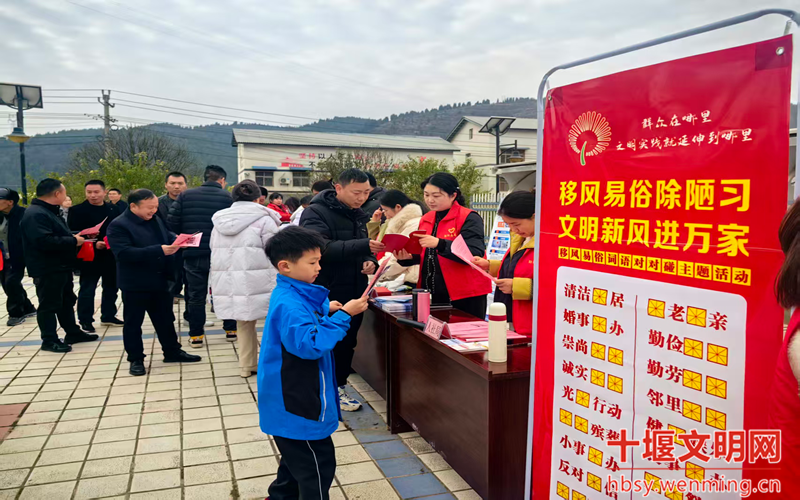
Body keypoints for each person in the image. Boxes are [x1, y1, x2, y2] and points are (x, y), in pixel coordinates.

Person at [259, 226, 369, 500]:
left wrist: (325, 308)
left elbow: (305, 317)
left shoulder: (292, 292)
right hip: (296, 400)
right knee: (317, 467)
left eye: (319, 260)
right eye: (312, 263)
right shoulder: (290, 304)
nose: (319, 267)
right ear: (285, 266)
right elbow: (310, 344)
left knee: (295, 462)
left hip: (293, 396)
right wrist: (344, 315)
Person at [300, 168, 382, 411]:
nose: (362, 198)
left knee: (347, 342)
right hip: (326, 290)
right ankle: (321, 389)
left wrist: (369, 260)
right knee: (326, 341)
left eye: (366, 193)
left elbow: (361, 249)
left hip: (354, 288)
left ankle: (338, 387)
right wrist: (364, 245)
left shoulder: (358, 214)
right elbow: (321, 248)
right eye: (357, 192)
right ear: (338, 188)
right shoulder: (315, 212)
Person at [107, 189, 202, 376]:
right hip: (135, 283)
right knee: (133, 323)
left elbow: (166, 235)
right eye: (149, 207)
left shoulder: (154, 219)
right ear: (133, 206)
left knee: (165, 319)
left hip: (159, 279)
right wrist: (160, 250)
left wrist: (178, 240)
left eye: (156, 207)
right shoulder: (118, 225)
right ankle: (135, 358)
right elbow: (124, 253)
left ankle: (172, 351)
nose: (153, 211)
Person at [210, 180, 282, 377]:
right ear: (258, 198)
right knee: (273, 321)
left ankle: (246, 366)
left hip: (231, 278)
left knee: (244, 322)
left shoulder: (219, 221)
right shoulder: (265, 219)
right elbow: (274, 250)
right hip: (262, 277)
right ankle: (273, 364)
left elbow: (213, 249)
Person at [396, 173, 491, 318]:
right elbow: (426, 254)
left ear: (453, 195)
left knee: (462, 330)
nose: (430, 200)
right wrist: (408, 258)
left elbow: (474, 252)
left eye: (436, 195)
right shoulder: (427, 218)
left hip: (465, 294)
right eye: (426, 195)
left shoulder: (469, 217)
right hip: (432, 291)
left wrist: (439, 243)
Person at [21, 179, 97, 353]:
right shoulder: (35, 214)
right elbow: (43, 241)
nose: (65, 195)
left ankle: (73, 332)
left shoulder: (50, 211)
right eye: (64, 192)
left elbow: (58, 233)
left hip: (61, 266)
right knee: (49, 304)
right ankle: (49, 340)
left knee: (65, 301)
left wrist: (79, 235)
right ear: (57, 194)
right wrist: (74, 241)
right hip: (47, 268)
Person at [167, 165, 234, 347]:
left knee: (196, 295)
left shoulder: (185, 196)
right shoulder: (228, 198)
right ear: (221, 180)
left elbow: (172, 222)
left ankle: (196, 336)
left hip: (193, 252)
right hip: (221, 253)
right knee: (225, 291)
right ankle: (230, 330)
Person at [473, 191, 536, 334]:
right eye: (508, 225)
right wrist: (490, 265)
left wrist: (517, 286)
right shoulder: (521, 238)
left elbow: (555, 284)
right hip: (510, 312)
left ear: (535, 216)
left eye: (516, 224)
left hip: (530, 319)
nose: (513, 229)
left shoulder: (551, 242)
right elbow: (517, 266)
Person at [68, 179, 123, 332]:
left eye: (96, 192)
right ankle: (85, 319)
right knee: (88, 288)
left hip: (110, 254)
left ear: (104, 192)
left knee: (111, 287)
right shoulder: (77, 210)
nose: (93, 195)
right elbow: (72, 234)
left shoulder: (113, 209)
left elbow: (119, 230)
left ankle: (108, 315)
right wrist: (93, 242)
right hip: (89, 256)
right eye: (89, 192)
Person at [367, 190, 424, 286]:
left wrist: (374, 273)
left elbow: (397, 257)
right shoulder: (398, 224)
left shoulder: (413, 225)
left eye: (386, 210)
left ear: (398, 207)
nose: (384, 213)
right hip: (400, 277)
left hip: (409, 279)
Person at [0, 188, 36, 326]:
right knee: (7, 283)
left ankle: (16, 313)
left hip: (19, 254)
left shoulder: (24, 214)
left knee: (11, 282)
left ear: (10, 202)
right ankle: (28, 307)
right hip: (3, 256)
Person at [158, 171, 188, 299]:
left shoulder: (190, 201)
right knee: (169, 271)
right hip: (167, 243)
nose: (176, 186)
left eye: (180, 183)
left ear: (185, 185)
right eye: (172, 183)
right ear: (166, 185)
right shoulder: (158, 202)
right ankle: (170, 294)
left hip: (188, 243)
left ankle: (178, 292)